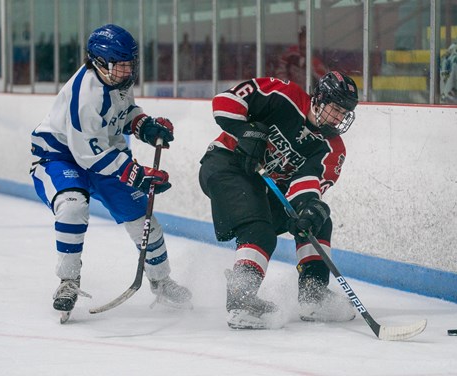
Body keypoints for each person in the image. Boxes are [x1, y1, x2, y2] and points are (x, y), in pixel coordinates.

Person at [30, 24, 192, 319]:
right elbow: (87, 155)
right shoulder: (86, 95)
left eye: (130, 65)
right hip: (62, 158)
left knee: (142, 219)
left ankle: (161, 281)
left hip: (102, 155)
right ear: (99, 62)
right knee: (72, 207)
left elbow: (122, 113)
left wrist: (145, 125)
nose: (127, 72)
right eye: (120, 66)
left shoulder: (117, 79)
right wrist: (135, 173)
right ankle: (68, 281)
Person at [199, 72, 359, 329]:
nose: (339, 118)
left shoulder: (331, 148)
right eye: (336, 109)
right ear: (319, 98)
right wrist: (246, 131)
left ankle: (313, 295)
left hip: (265, 188)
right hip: (226, 164)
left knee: (318, 220)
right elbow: (225, 101)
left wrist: (307, 209)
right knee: (259, 231)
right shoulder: (284, 95)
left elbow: (306, 185)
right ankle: (241, 299)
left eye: (345, 113)